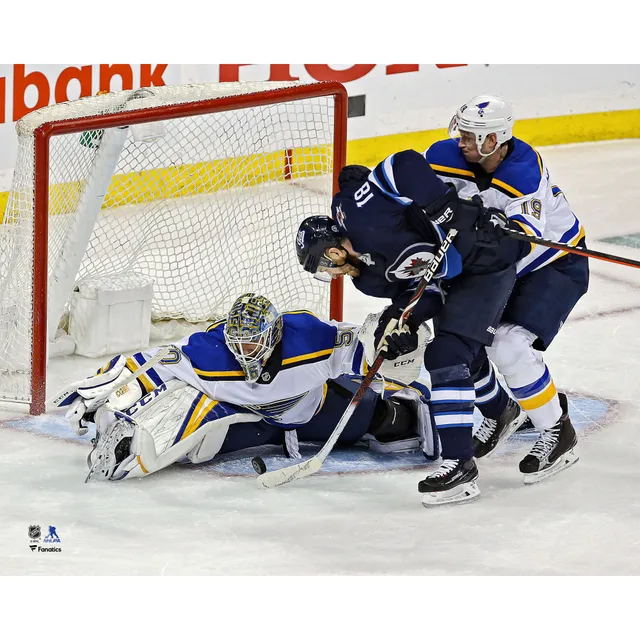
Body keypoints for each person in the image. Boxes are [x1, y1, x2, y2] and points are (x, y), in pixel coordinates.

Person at [296, 150, 526, 506]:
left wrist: (443, 206)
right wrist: (404, 317)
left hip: (486, 259)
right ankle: (502, 410)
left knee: (447, 355)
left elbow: (403, 163)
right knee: (466, 354)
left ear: (334, 252)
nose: (329, 273)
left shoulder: (360, 214)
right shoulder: (367, 280)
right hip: (456, 276)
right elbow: (427, 289)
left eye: (324, 265)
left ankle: (459, 465)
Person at [52, 293, 437, 482]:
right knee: (199, 446)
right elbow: (152, 362)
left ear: (272, 336)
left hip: (313, 408)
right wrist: (101, 393)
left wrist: (396, 334)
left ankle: (414, 411)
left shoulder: (309, 338)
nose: (243, 353)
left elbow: (364, 343)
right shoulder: (213, 353)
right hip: (257, 420)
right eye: (237, 344)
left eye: (251, 345)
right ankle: (130, 434)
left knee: (386, 422)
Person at [426, 95, 588, 483]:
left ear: (494, 140)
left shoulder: (522, 171)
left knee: (509, 343)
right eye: (460, 132)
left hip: (552, 266)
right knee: (461, 338)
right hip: (494, 270)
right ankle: (501, 412)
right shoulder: (443, 156)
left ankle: (557, 430)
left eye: (470, 136)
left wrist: (494, 229)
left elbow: (524, 243)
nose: (460, 141)